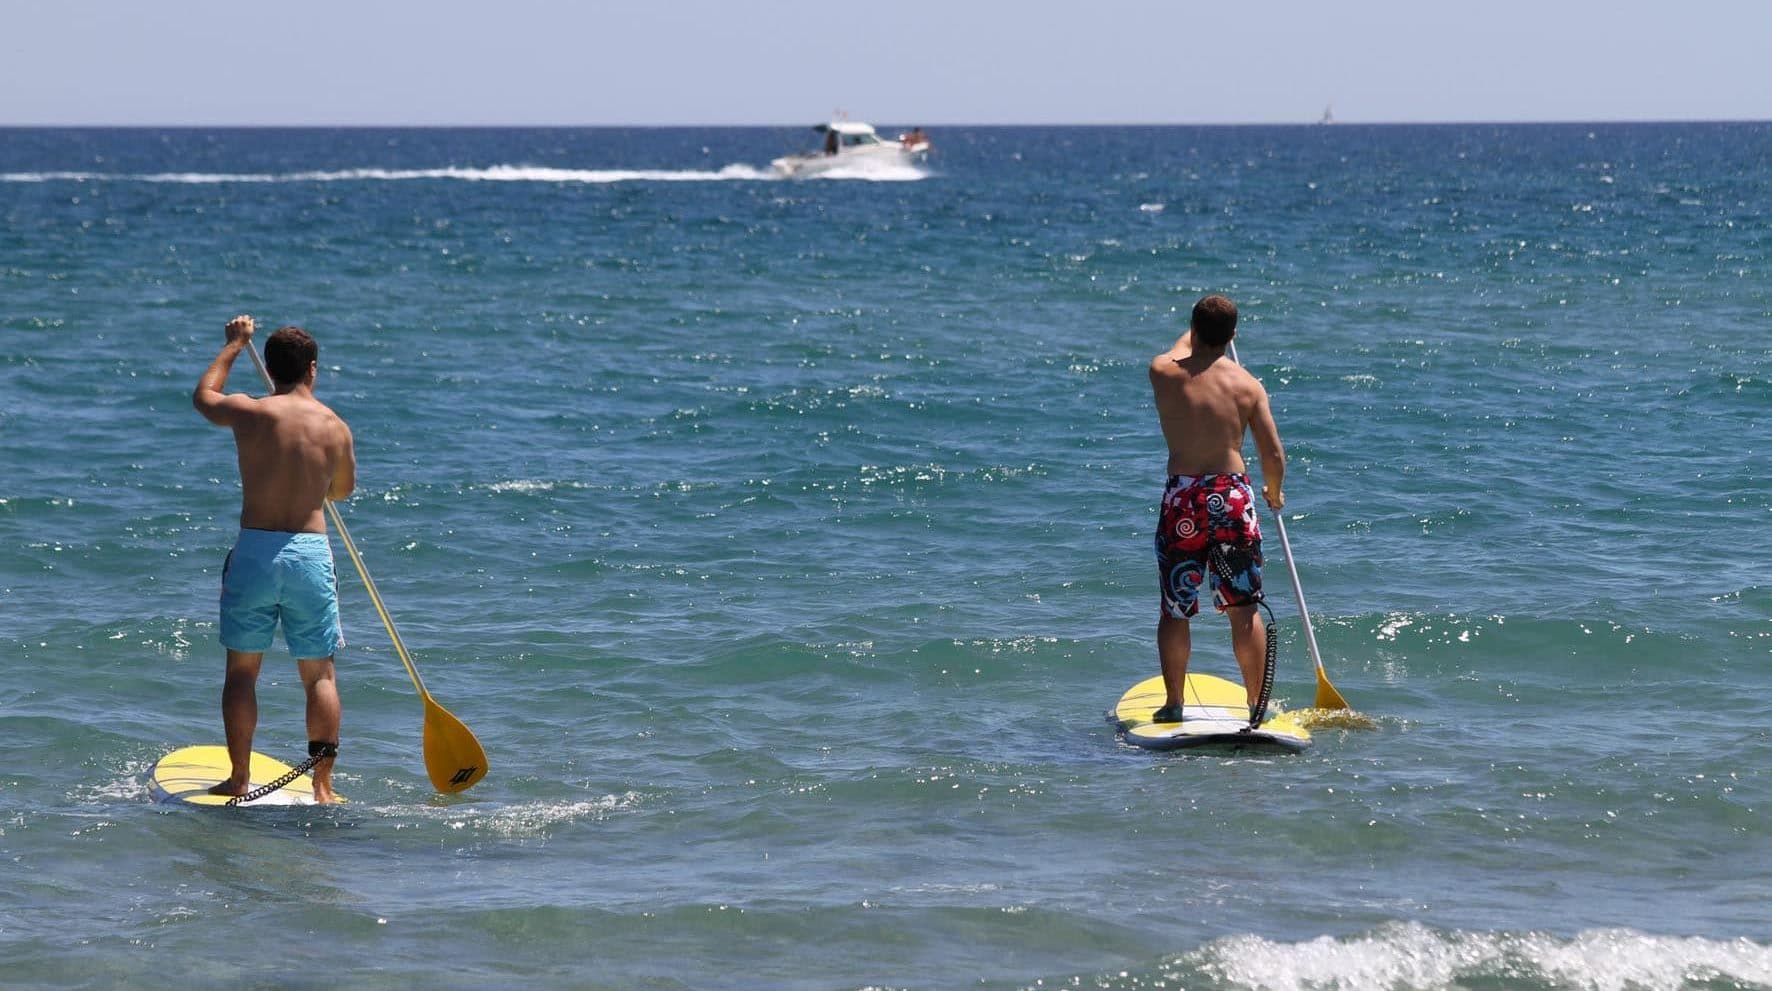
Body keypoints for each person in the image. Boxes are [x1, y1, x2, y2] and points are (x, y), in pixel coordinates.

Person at [192, 316, 355, 802]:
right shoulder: (335, 426)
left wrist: (233, 345)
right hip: (309, 553)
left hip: (256, 551)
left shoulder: (251, 412)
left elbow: (204, 397)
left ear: (271, 367)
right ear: (312, 369)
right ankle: (322, 786)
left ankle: (239, 778)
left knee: (242, 673)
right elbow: (341, 491)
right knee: (319, 675)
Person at [1148, 295, 1284, 722]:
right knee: (1243, 610)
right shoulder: (1248, 385)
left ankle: (1174, 704)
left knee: (1175, 609)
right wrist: (1274, 491)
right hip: (1233, 497)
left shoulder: (1164, 372)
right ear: (1233, 335)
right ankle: (1255, 706)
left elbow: (1180, 347)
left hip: (1183, 497)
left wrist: (1197, 327)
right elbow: (1273, 455)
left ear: (1193, 329)